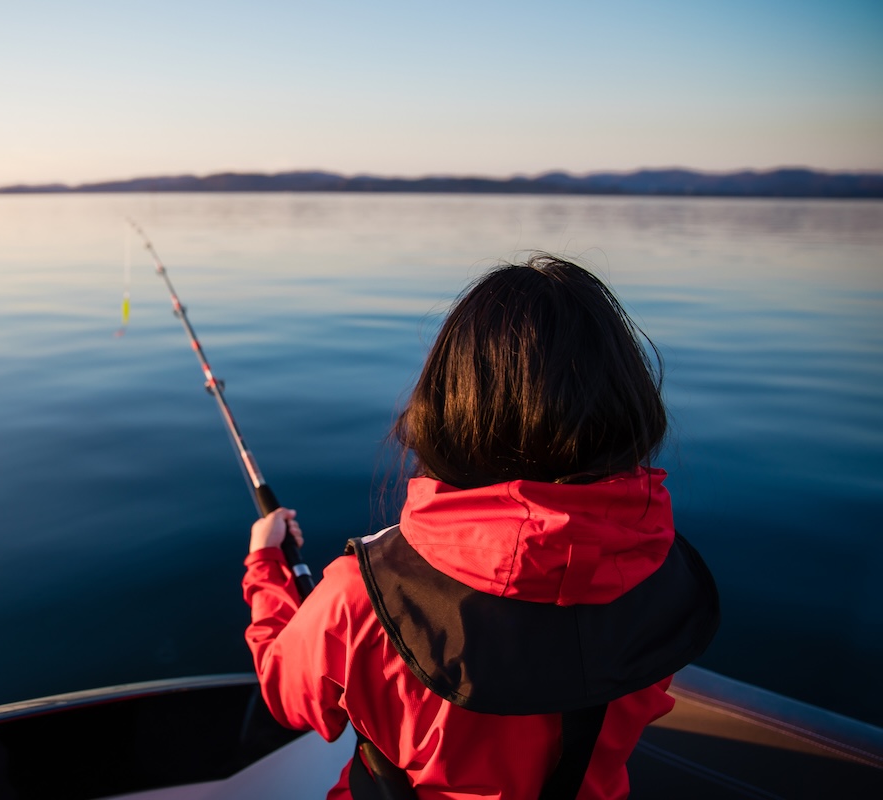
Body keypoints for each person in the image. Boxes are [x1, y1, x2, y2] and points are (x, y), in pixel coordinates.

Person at [241, 255, 720, 800]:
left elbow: (288, 697)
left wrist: (265, 566)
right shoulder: (660, 571)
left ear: (451, 406)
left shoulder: (362, 598)